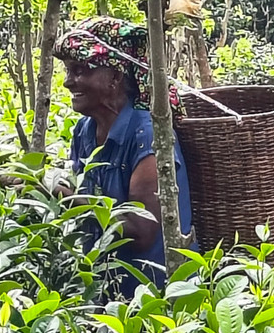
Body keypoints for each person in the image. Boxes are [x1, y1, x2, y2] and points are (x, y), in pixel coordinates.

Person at [52, 17, 194, 296]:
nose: (69, 82)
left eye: (80, 71)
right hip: (105, 287)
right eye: (69, 71)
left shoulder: (148, 133)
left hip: (155, 297)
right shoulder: (85, 129)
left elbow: (141, 231)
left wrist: (63, 198)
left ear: (115, 77)